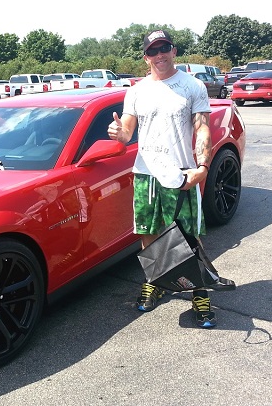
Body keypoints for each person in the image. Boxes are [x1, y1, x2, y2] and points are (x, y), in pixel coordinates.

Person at [107, 30, 216, 328]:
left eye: (164, 48)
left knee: (189, 236)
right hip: (146, 174)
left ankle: (200, 294)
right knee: (149, 234)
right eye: (153, 51)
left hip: (181, 174)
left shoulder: (192, 86)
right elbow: (127, 132)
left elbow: (202, 128)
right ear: (146, 56)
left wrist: (202, 166)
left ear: (174, 50)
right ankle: (155, 282)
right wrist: (118, 134)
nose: (160, 55)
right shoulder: (137, 90)